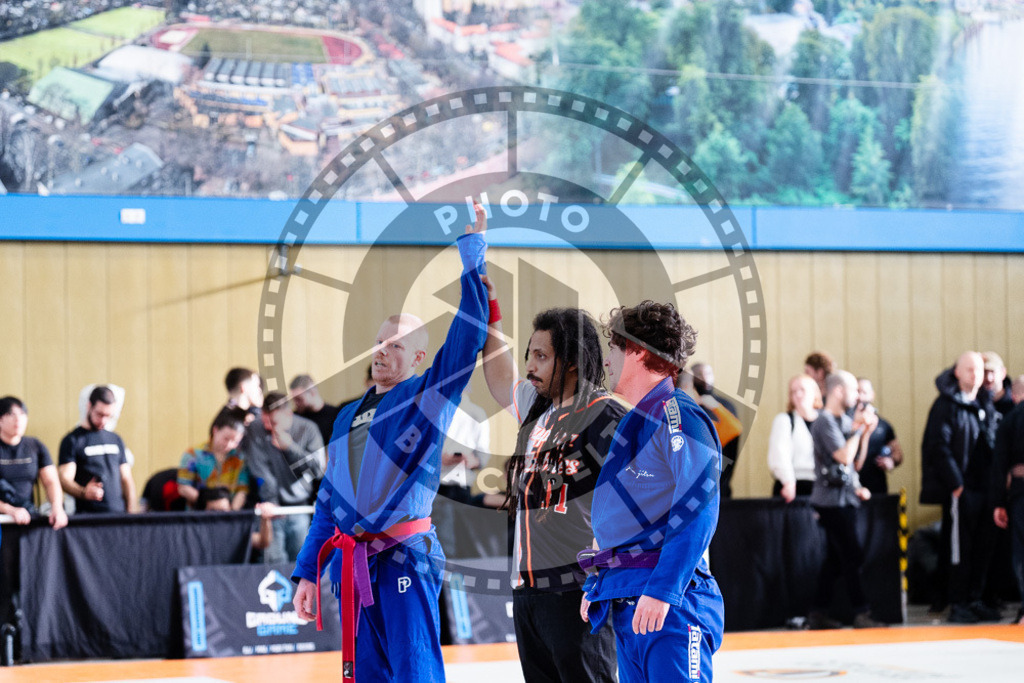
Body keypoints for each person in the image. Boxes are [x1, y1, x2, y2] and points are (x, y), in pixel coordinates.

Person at [290, 203, 490, 682]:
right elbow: (329, 500)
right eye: (379, 342)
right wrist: (307, 573)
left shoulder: (425, 396)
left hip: (404, 556)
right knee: (367, 675)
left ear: (419, 357)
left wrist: (473, 257)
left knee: (414, 671)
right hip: (351, 565)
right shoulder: (345, 417)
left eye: (396, 345)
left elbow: (466, 336)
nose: (382, 350)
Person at [481, 294, 623, 681]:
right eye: (529, 354)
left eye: (541, 356)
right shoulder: (536, 408)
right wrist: (490, 311)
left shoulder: (608, 414)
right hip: (528, 592)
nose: (530, 365)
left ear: (573, 360)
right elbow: (498, 377)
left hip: (578, 590)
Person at [581, 301, 723, 683]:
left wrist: (664, 590)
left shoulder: (679, 415)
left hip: (670, 602)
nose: (606, 360)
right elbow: (620, 513)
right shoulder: (633, 421)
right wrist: (600, 577)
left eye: (613, 348)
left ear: (638, 352)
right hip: (629, 597)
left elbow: (699, 508)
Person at [921, 351, 1001, 623]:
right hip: (961, 490)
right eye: (969, 370)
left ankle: (975, 599)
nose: (975, 375)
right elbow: (939, 448)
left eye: (978, 370)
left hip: (986, 489)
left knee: (984, 547)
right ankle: (958, 603)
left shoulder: (984, 403)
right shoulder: (946, 405)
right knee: (959, 549)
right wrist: (956, 486)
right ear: (956, 372)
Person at [805, 371, 883, 630]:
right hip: (830, 502)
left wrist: (866, 432)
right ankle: (862, 612)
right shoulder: (824, 421)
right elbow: (843, 457)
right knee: (852, 555)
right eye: (853, 390)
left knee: (836, 560)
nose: (857, 396)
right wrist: (859, 429)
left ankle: (817, 613)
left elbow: (856, 464)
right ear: (838, 391)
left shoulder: (843, 420)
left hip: (844, 498)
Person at [241, 392, 324, 563]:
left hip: (299, 508)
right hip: (269, 509)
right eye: (265, 422)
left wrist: (290, 447)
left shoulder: (308, 429)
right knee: (272, 564)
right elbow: (259, 470)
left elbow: (318, 471)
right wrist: (270, 503)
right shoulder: (256, 429)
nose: (269, 428)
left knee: (301, 563)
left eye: (274, 423)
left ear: (288, 414)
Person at [58, 386, 138, 514]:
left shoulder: (115, 439)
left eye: (108, 416)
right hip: (89, 518)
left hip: (118, 515)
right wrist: (84, 492)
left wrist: (132, 511)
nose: (103, 420)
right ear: (89, 406)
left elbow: (127, 479)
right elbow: (64, 479)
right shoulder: (72, 440)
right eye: (99, 414)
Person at [431, 392, 490, 557]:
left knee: (463, 538)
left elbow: (483, 454)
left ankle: (459, 581)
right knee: (441, 539)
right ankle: (446, 580)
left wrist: (472, 460)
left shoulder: (476, 413)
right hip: (436, 485)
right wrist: (438, 459)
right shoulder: (434, 410)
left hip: (462, 485)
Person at [0, 397, 67, 528]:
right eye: (11, 414)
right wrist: (9, 510)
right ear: (0, 419)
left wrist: (57, 507)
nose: (18, 419)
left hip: (27, 517)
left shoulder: (35, 446)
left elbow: (51, 481)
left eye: (22, 414)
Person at [177, 407, 250, 511]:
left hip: (229, 516)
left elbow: (242, 490)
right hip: (198, 516)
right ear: (215, 430)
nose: (229, 444)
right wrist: (210, 504)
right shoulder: (193, 454)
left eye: (235, 441)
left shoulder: (239, 458)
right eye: (226, 438)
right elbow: (183, 488)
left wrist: (232, 511)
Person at [992, 396, 1024, 624]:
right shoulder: (1013, 420)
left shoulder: (1011, 419)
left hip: (1019, 493)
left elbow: (1000, 463)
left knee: (1021, 555)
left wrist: (999, 502)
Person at [690, 362, 743, 499]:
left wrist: (715, 406)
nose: (705, 379)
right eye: (699, 375)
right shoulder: (690, 407)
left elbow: (734, 432)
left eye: (707, 374)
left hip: (720, 481)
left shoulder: (725, 406)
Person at [767, 374, 821, 501]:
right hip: (794, 486)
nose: (798, 394)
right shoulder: (785, 420)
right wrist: (788, 482)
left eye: (802, 390)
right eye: (793, 391)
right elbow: (780, 454)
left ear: (815, 393)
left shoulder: (825, 421)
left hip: (820, 487)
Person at [854, 378, 904, 496]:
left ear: (872, 395)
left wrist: (891, 461)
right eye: (857, 392)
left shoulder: (883, 425)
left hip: (876, 487)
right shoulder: (845, 422)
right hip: (852, 486)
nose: (860, 397)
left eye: (864, 392)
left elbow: (898, 454)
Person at [289, 374, 341, 447]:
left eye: (299, 399)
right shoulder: (294, 418)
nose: (295, 403)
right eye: (294, 399)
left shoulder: (335, 415)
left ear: (313, 393)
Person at [983, 352, 1014, 417]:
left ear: (1003, 373)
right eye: (984, 372)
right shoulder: (973, 403)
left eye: (992, 372)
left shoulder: (1015, 401)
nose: (988, 378)